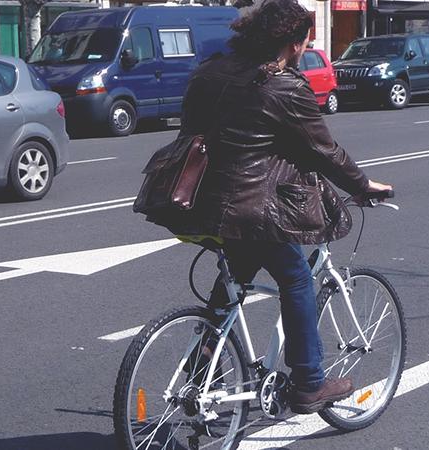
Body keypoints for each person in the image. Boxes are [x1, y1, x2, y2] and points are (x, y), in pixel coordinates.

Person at [144, 0, 392, 414]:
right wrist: (363, 184)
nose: (306, 46)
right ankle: (310, 383)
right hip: (254, 209)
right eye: (305, 40)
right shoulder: (285, 87)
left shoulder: (212, 70)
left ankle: (201, 372)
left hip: (203, 202)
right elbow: (323, 151)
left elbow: (195, 130)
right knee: (295, 278)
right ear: (294, 42)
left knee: (233, 281)